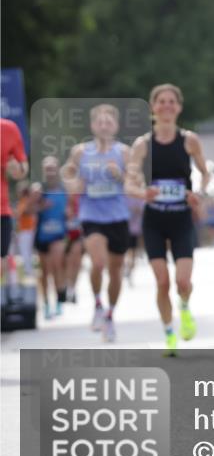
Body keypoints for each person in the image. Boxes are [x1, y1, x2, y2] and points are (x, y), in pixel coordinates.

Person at [125, 84, 210, 357]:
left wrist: (199, 194)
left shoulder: (189, 140)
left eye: (171, 101)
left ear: (179, 107)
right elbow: (129, 183)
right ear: (153, 107)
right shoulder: (142, 145)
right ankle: (169, 333)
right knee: (162, 282)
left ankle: (184, 307)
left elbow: (205, 174)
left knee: (182, 282)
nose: (166, 106)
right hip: (155, 221)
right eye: (161, 101)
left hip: (181, 219)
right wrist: (143, 193)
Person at [62, 104, 132, 342]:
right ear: (93, 126)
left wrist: (120, 176)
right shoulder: (81, 152)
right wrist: (74, 185)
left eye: (108, 122)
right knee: (98, 262)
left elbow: (135, 181)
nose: (104, 126)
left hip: (118, 216)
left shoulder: (124, 153)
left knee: (116, 269)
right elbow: (67, 173)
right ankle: (98, 305)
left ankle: (110, 315)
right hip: (91, 215)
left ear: (116, 126)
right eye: (99, 122)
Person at [34, 157, 69, 319]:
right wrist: (40, 205)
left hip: (59, 235)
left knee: (57, 266)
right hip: (42, 236)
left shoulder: (64, 189)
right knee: (44, 271)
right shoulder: (38, 190)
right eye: (47, 169)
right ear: (43, 171)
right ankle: (47, 303)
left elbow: (72, 209)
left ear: (57, 170)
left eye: (52, 168)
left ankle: (59, 300)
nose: (50, 172)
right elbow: (27, 210)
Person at [1, 118, 29, 291]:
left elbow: (22, 166)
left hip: (1, 208)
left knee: (1, 262)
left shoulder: (9, 129)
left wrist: (17, 170)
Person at [13, 183, 38, 283]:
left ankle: (29, 271)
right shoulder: (24, 201)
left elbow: (22, 213)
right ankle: (28, 270)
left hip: (26, 230)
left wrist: (16, 212)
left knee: (26, 251)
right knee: (26, 251)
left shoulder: (26, 201)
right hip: (25, 229)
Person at [124, 194, 145, 286]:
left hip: (135, 231)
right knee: (128, 252)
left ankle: (129, 270)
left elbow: (143, 210)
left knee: (132, 253)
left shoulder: (140, 197)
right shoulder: (125, 196)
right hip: (124, 229)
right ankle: (127, 268)